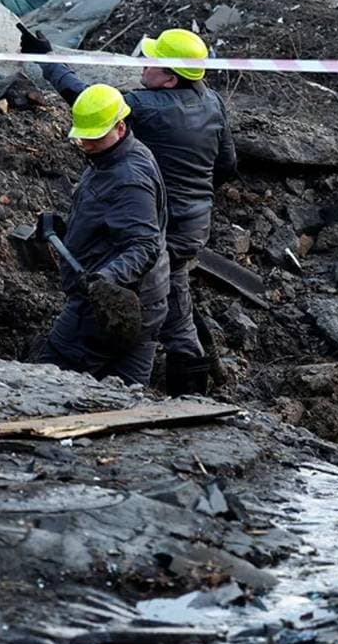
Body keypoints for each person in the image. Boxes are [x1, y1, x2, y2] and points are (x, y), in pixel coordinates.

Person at [23, 27, 236, 394]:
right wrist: (192, 193)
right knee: (174, 305)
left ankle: (147, 376)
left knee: (148, 292)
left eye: (152, 61)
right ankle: (190, 392)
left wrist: (48, 60)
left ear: (170, 78)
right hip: (194, 223)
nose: (143, 63)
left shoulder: (148, 110)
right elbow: (228, 165)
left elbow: (90, 104)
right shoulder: (212, 101)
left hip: (159, 222)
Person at [33, 84, 171, 385]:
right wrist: (67, 231)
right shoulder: (115, 157)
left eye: (94, 135)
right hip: (147, 305)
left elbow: (144, 245)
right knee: (127, 398)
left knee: (44, 380)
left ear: (120, 127)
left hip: (109, 308)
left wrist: (106, 279)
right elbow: (115, 223)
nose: (85, 142)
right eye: (82, 134)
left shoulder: (129, 179)